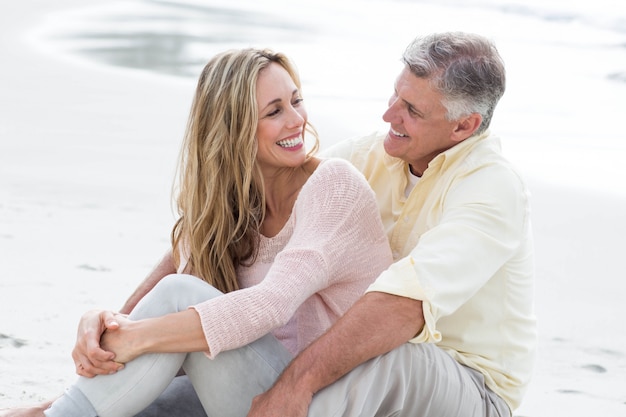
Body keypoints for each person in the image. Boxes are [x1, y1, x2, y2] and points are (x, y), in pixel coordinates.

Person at [1, 48, 393, 417]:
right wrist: (101, 320)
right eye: (275, 111)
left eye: (296, 100)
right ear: (233, 127)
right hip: (247, 388)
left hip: (317, 399)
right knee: (130, 404)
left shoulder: (334, 187)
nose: (296, 120)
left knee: (179, 295)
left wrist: (135, 336)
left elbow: (271, 304)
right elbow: (143, 324)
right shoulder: (228, 206)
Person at [246, 31, 536, 417]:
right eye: (395, 96)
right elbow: (247, 213)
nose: (389, 115)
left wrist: (295, 383)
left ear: (464, 127)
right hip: (359, 364)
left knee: (393, 357)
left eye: (412, 111)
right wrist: (135, 320)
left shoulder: (493, 188)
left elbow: (403, 307)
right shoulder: (367, 156)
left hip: (471, 391)